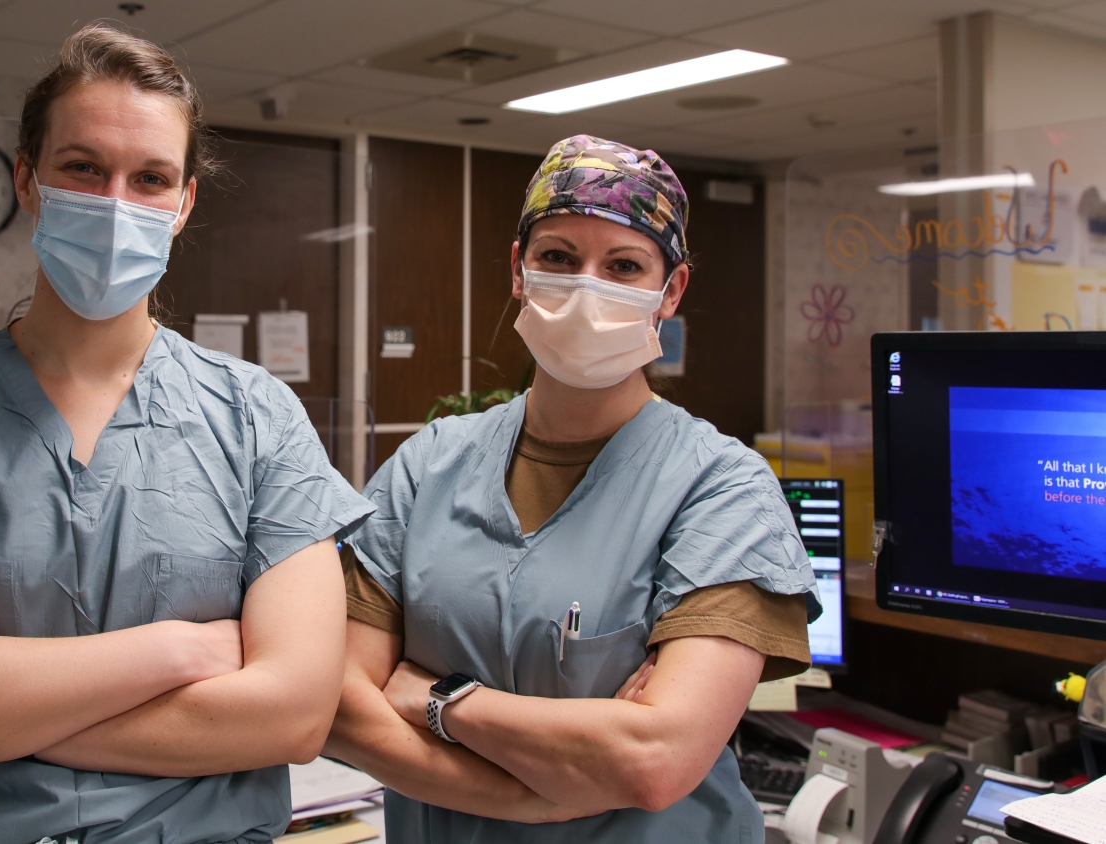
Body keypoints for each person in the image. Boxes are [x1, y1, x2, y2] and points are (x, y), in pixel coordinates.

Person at [0, 23, 373, 844]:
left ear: (183, 205)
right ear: (28, 181)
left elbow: (294, 715)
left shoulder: (257, 419)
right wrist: (176, 653)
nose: (115, 205)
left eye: (151, 179)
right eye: (82, 169)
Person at [325, 136, 821, 842]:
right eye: (558, 257)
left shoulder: (721, 490)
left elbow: (655, 759)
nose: (588, 286)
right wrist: (529, 798)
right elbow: (339, 706)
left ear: (670, 291)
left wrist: (438, 699)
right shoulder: (429, 464)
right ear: (519, 272)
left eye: (623, 266)